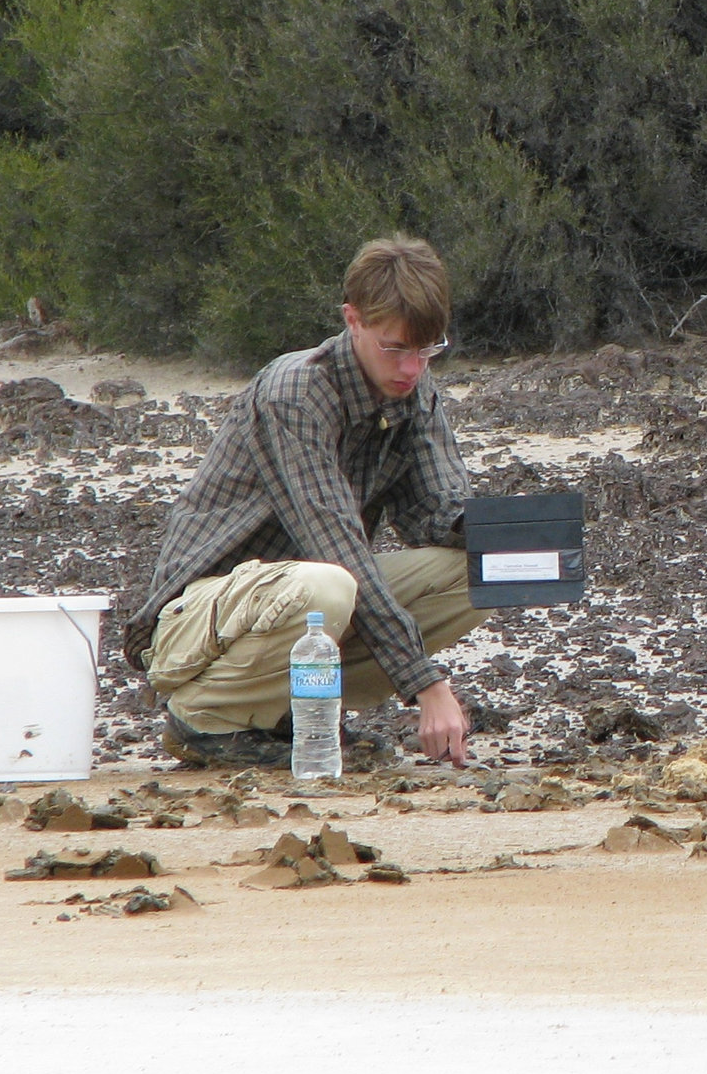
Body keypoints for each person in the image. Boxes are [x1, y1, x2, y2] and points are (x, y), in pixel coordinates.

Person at [123, 235, 485, 769]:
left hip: (298, 604)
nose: (412, 368)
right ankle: (205, 717)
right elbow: (337, 545)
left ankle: (290, 711)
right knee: (328, 583)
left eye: (427, 349)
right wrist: (426, 684)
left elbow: (434, 513)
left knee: (483, 570)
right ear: (353, 319)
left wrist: (513, 533)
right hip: (194, 618)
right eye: (396, 348)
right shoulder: (296, 391)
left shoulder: (414, 391)